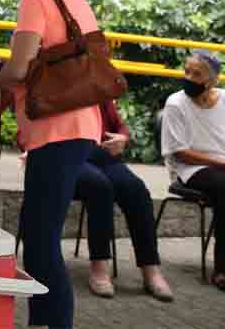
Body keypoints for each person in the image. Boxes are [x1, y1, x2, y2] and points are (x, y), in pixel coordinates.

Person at [0, 0, 101, 329]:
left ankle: (55, 322)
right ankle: (43, 321)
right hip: (81, 122)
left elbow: (20, 67)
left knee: (39, 240)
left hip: (57, 128)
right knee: (39, 232)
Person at [162, 50, 225, 293]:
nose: (189, 77)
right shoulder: (175, 103)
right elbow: (179, 151)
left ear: (211, 80)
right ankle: (223, 270)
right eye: (187, 71)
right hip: (193, 168)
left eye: (197, 74)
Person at [73, 100, 173, 301]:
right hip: (70, 157)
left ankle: (150, 268)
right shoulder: (54, 81)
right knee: (99, 187)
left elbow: (119, 125)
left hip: (104, 156)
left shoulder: (98, 86)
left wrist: (122, 137)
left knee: (136, 190)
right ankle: (100, 266)